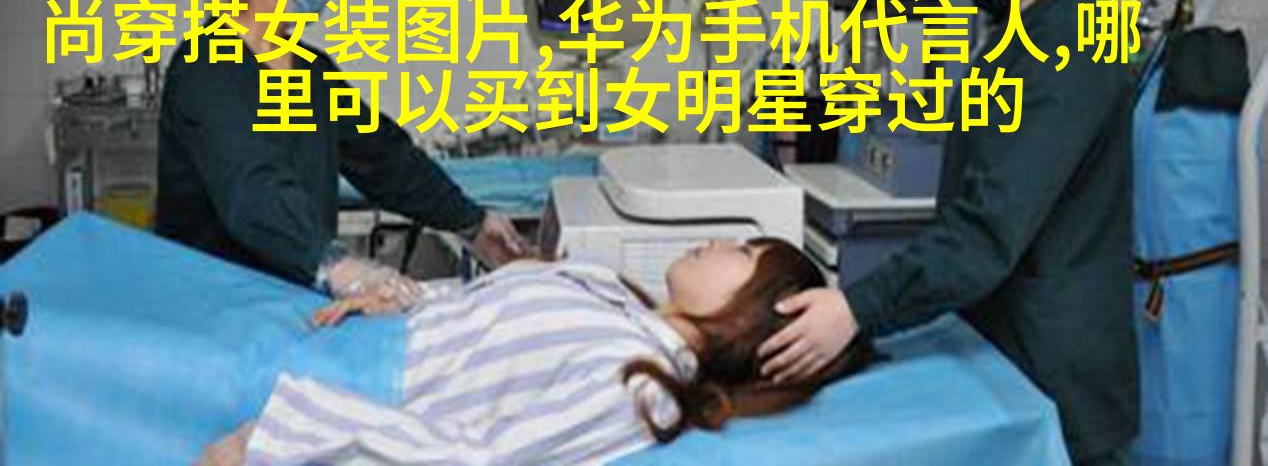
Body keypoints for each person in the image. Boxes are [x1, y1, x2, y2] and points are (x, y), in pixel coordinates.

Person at [759, 0, 1139, 466]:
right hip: (1006, 354)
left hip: (1056, 386)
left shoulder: (1076, 37)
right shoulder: (1019, 27)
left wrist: (855, 310)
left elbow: (986, 232)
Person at [156, 0, 525, 302]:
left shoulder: (311, 71)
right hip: (216, 310)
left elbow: (384, 159)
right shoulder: (206, 69)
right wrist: (334, 265)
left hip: (292, 307)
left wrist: (472, 222)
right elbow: (254, 188)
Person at [196, 237, 880, 465]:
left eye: (747, 253)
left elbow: (483, 460)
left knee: (137, 348)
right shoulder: (613, 294)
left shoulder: (639, 385)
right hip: (330, 332)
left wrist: (288, 435)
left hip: (318, 383)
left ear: (757, 319)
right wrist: (403, 295)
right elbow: (480, 313)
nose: (721, 242)